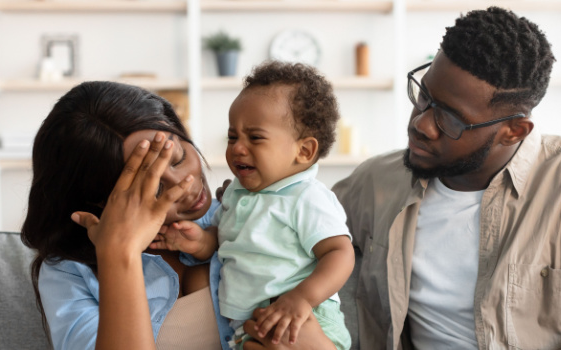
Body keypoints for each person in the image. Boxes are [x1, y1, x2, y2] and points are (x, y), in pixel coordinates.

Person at [331, 7, 561, 350]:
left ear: (514, 131)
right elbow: (293, 228)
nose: (421, 124)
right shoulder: (377, 182)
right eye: (424, 96)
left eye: (452, 119)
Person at [21, 81, 332, 350]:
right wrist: (119, 252)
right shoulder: (69, 273)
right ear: (101, 202)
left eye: (179, 157)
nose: (184, 186)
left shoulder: (241, 217)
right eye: (153, 186)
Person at [153, 62, 354, 350]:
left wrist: (302, 298)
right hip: (247, 324)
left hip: (304, 317)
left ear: (304, 151)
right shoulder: (237, 192)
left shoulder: (306, 197)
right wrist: (200, 242)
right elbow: (223, 240)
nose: (237, 148)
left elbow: (340, 253)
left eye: (255, 137)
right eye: (232, 136)